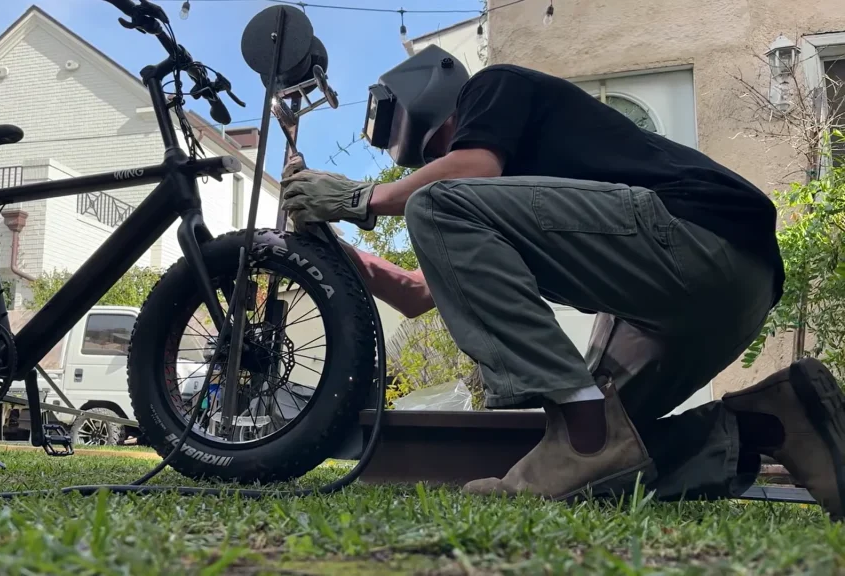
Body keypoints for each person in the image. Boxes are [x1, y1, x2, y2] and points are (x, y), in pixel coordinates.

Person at [279, 48, 845, 520]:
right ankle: (770, 421)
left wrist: (361, 198)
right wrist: (331, 241)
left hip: (698, 234)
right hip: (722, 293)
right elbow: (416, 294)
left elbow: (468, 171)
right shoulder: (482, 215)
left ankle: (583, 430)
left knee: (435, 205)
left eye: (443, 145)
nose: (444, 156)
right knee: (611, 458)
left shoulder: (492, 87)